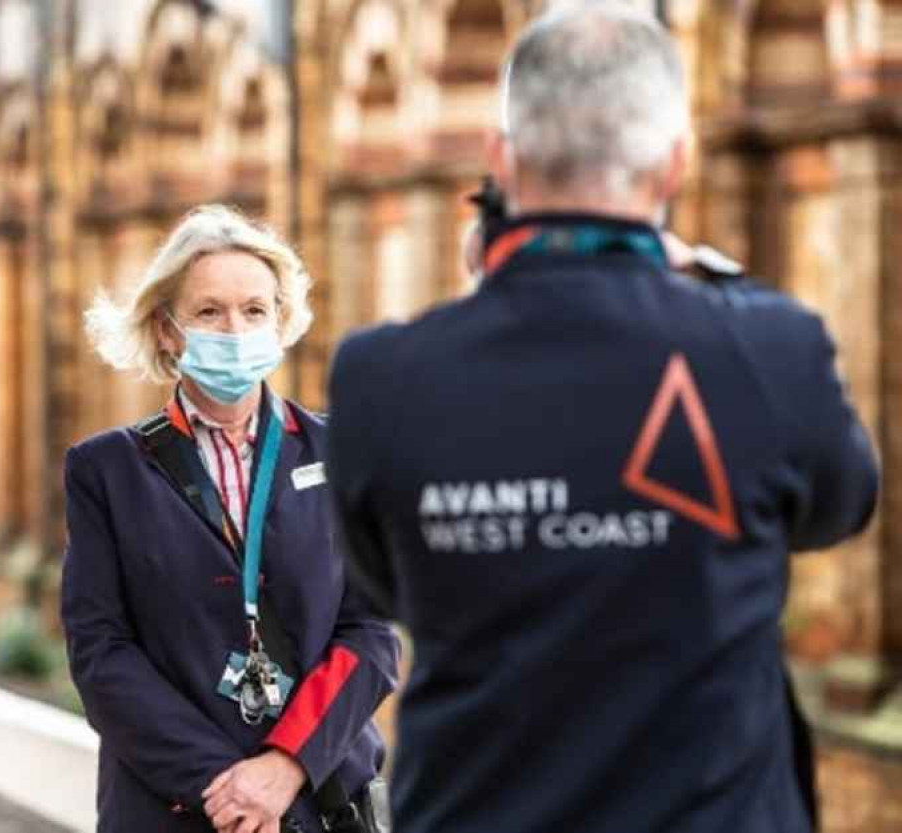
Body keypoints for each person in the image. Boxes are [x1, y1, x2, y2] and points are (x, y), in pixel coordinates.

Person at [326, 5, 879, 833]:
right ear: (675, 164)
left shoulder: (379, 380)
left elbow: (384, 583)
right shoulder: (772, 348)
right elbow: (844, 504)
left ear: (500, 161)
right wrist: (708, 273)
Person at [61, 204, 399, 833]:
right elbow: (101, 655)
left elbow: (372, 635)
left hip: (318, 803)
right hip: (175, 810)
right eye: (208, 312)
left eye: (254, 310)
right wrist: (227, 791)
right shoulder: (106, 470)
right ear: (167, 329)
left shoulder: (341, 451)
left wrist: (282, 768)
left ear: (281, 320)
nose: (234, 329)